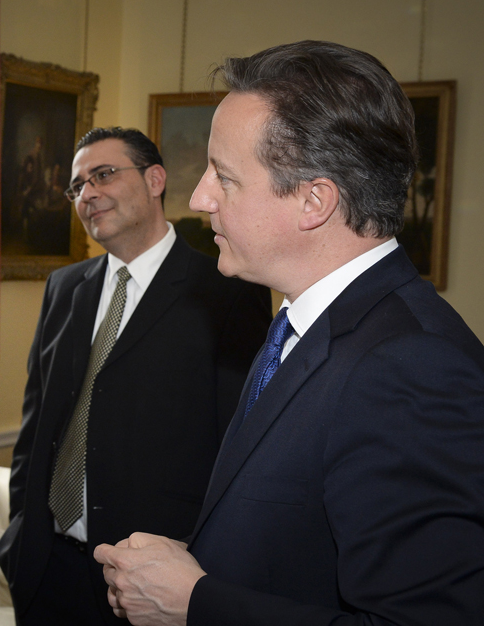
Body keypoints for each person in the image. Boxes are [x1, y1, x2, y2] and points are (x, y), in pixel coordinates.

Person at [95, 40, 484, 626]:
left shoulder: (409, 365)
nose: (198, 199)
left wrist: (198, 603)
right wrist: (200, 567)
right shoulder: (302, 323)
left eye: (224, 177)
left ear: (314, 201)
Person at [0, 127, 271, 625]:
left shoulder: (225, 291)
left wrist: (203, 574)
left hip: (150, 580)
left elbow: (240, 445)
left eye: (103, 175)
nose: (88, 194)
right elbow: (37, 428)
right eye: (77, 186)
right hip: (47, 568)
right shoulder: (64, 287)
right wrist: (20, 533)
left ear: (155, 179)